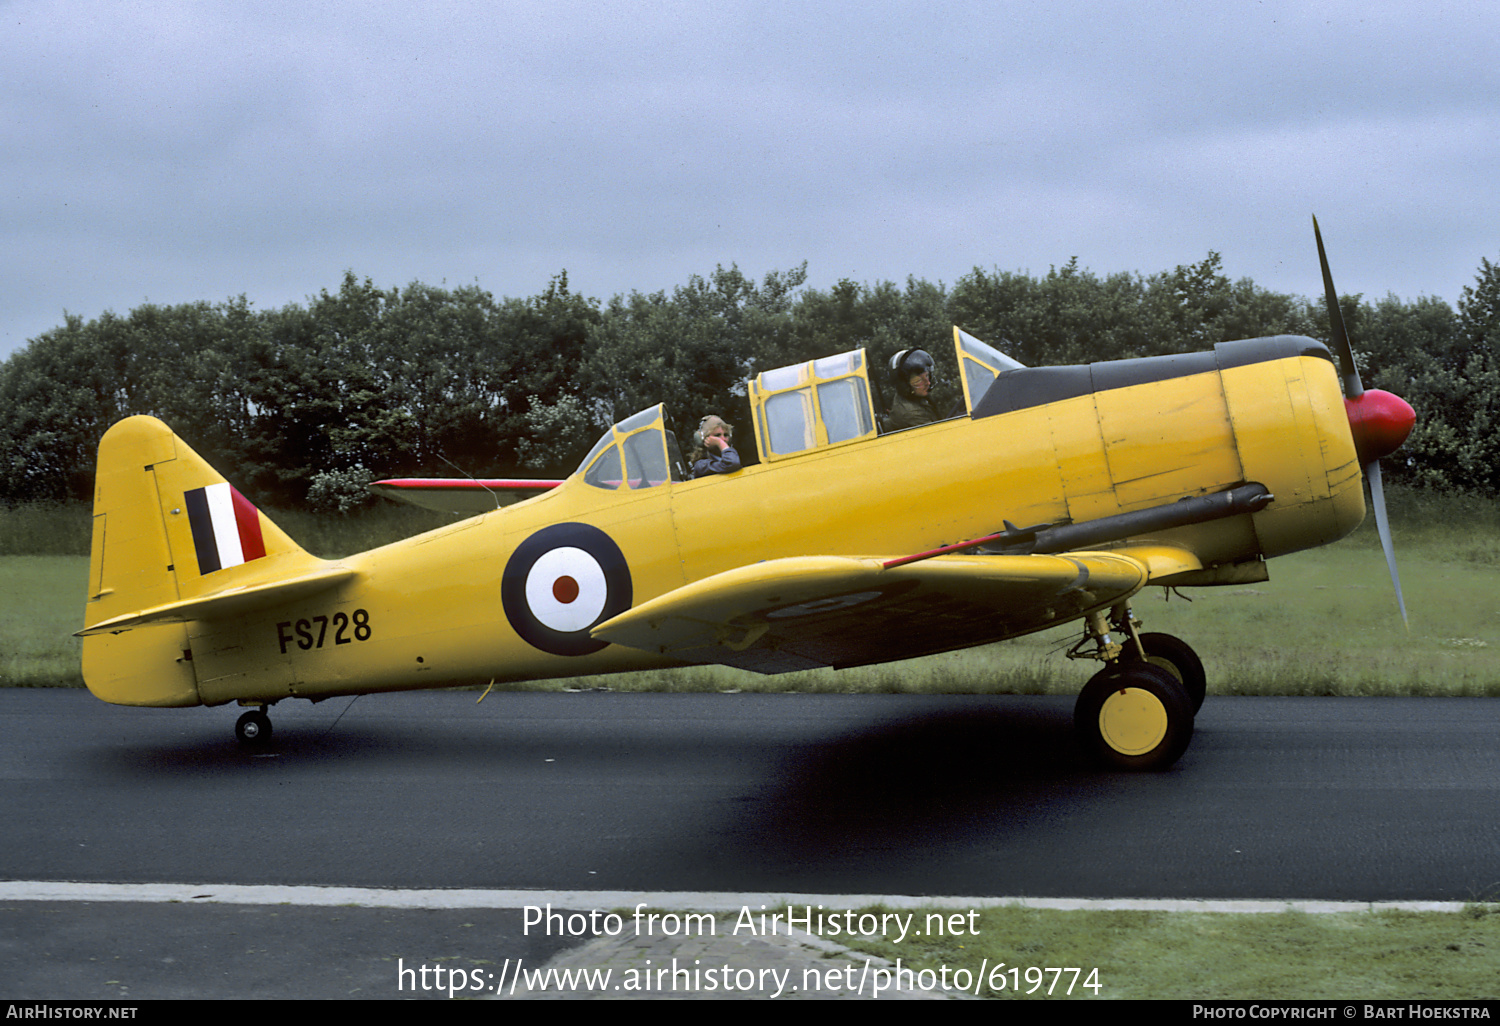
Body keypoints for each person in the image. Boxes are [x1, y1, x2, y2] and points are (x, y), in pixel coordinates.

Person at [884, 348, 938, 430]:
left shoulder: (912, 397)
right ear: (904, 385)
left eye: (927, 376)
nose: (928, 383)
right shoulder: (912, 414)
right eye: (918, 380)